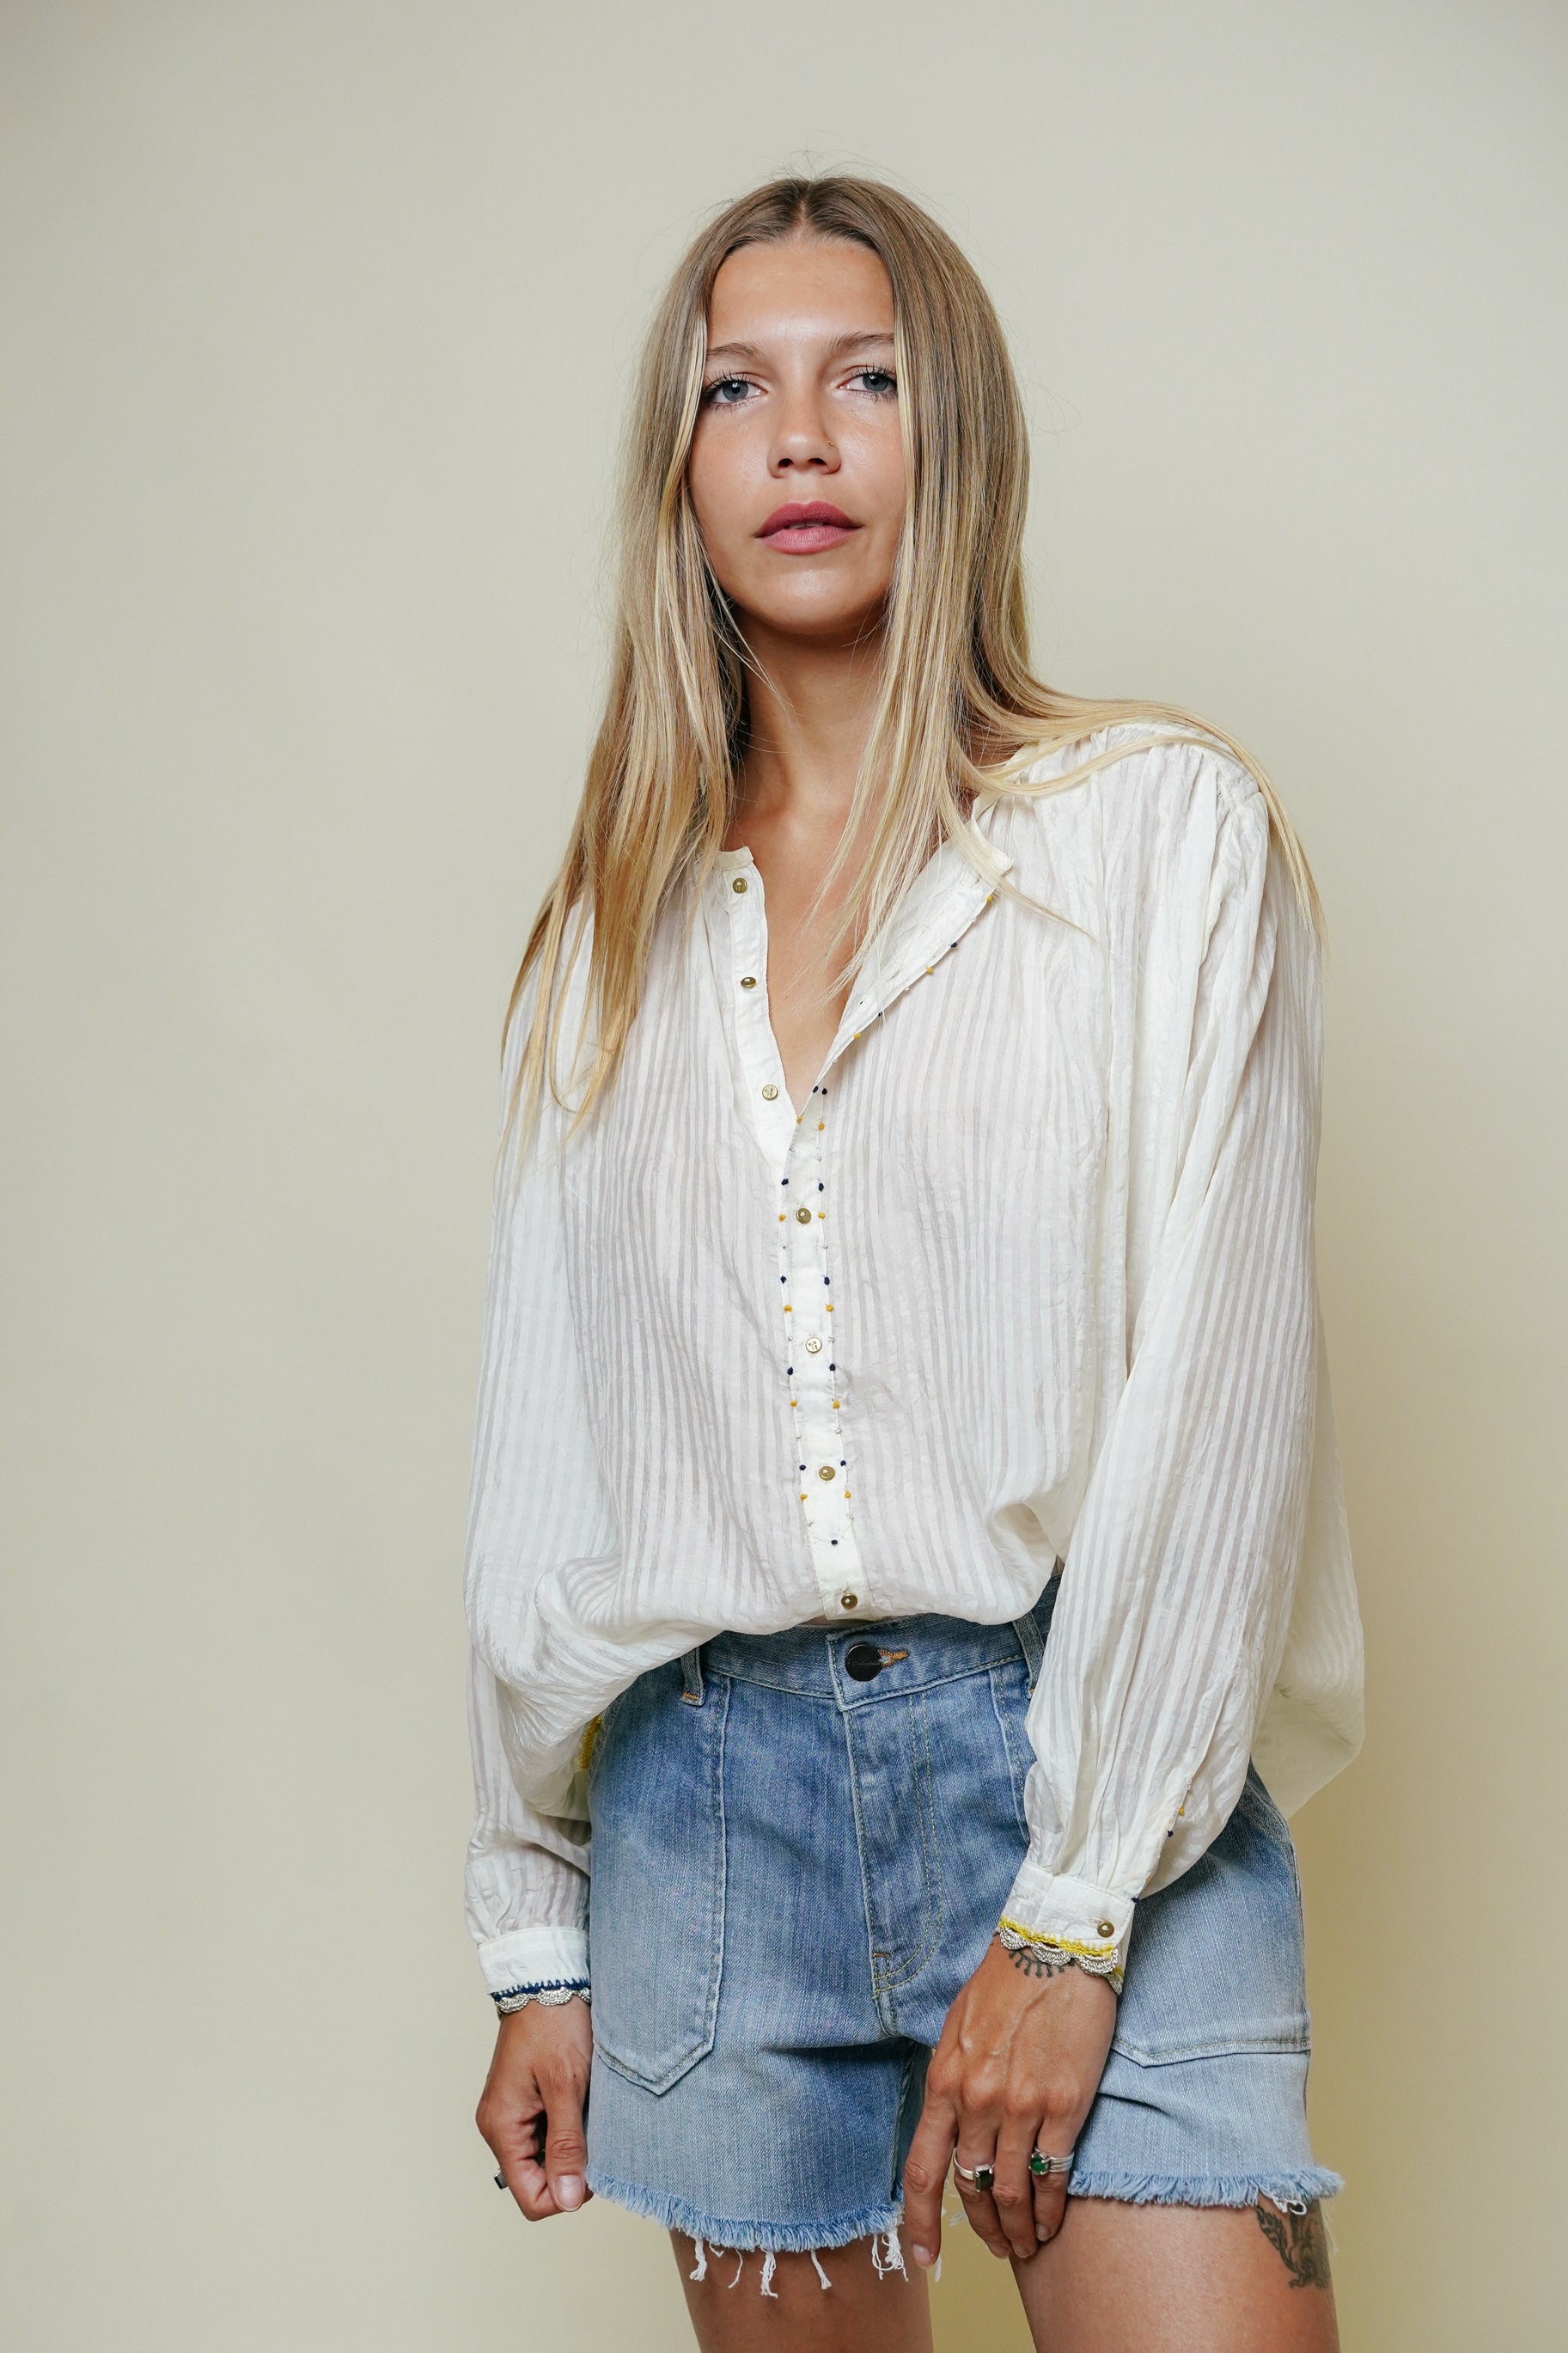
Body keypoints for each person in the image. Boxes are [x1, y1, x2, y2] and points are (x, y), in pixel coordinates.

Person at [463, 174, 1363, 2352]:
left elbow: (1222, 1392)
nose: (799, 436)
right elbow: (552, 1453)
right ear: (677, 472)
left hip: (1096, 1774)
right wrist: (533, 1929)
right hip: (702, 1820)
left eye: (864, 377)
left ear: (955, 431)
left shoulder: (1159, 836)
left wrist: (1071, 1910)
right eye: (733, 390)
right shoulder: (612, 935)